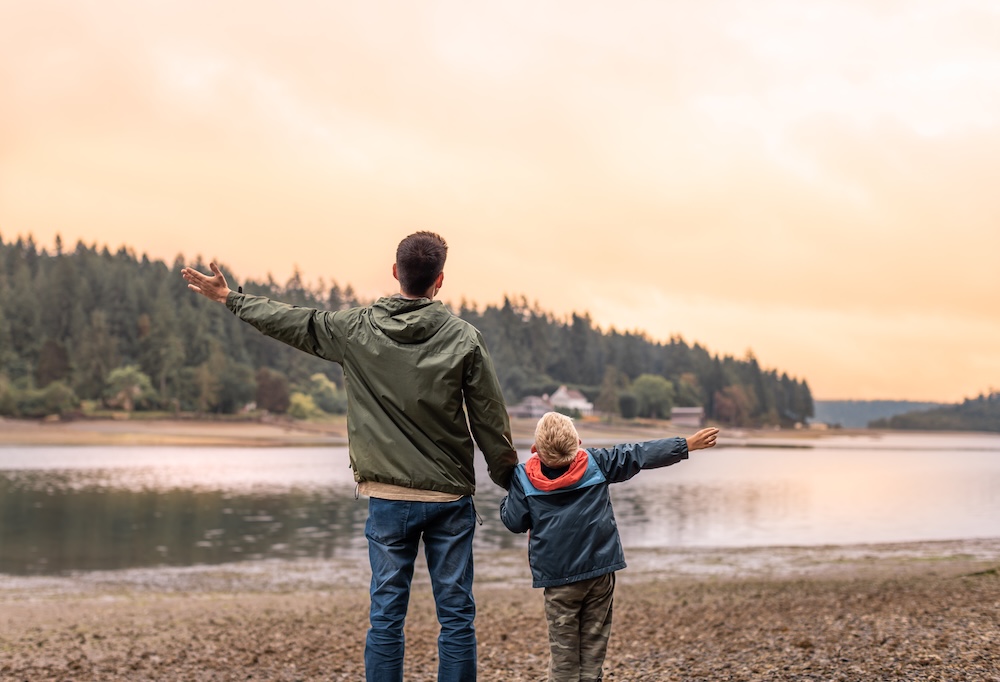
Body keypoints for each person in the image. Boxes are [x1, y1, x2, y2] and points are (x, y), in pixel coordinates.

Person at [182, 231, 518, 682]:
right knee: (456, 618)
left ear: (396, 272)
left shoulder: (355, 329)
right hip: (447, 499)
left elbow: (292, 321)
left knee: (386, 617)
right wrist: (513, 481)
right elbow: (490, 422)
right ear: (439, 280)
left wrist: (230, 298)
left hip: (386, 497)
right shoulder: (465, 338)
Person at [500, 411, 719, 682]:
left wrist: (507, 498)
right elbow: (639, 454)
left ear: (536, 449)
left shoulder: (523, 478)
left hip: (558, 579)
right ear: (577, 441)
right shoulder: (597, 463)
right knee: (593, 646)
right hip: (599, 572)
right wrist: (686, 444)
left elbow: (514, 522)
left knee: (563, 651)